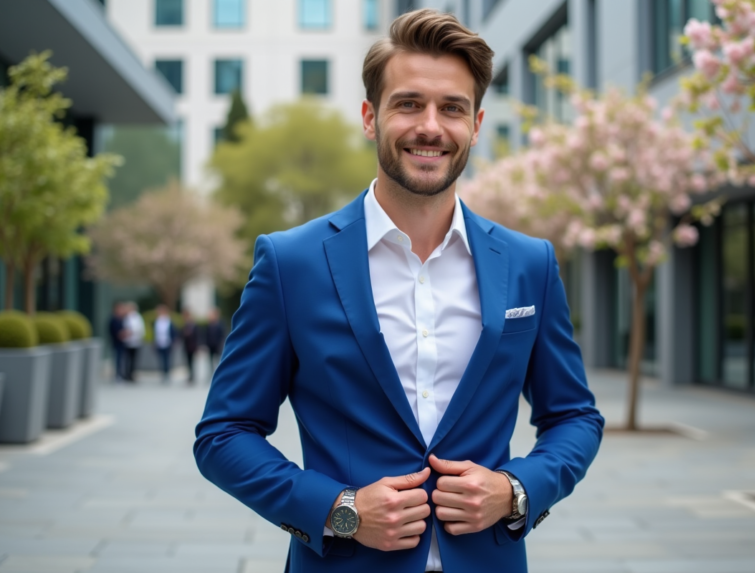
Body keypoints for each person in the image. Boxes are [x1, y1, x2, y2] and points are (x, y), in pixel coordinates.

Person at [194, 10, 603, 573]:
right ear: (371, 117)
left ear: (476, 125)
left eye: (452, 108)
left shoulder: (530, 263)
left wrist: (515, 490)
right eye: (409, 103)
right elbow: (224, 434)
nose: (430, 127)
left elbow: (575, 416)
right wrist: (340, 511)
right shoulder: (291, 263)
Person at [153, 305, 177, 383]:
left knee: (167, 359)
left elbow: (173, 332)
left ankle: (167, 373)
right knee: (161, 359)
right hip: (159, 343)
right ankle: (163, 373)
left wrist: (173, 342)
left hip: (167, 343)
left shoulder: (168, 321)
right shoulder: (157, 321)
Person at [122, 302, 145, 382]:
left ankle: (131, 374)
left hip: (135, 341)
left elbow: (141, 329)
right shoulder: (126, 317)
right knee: (127, 359)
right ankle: (126, 374)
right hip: (127, 342)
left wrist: (132, 332)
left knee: (134, 360)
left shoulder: (138, 317)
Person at [108, 301, 127, 382]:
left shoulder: (122, 319)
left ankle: (121, 374)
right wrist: (120, 334)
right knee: (117, 359)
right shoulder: (113, 319)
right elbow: (113, 332)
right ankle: (117, 375)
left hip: (122, 343)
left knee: (122, 360)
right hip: (116, 343)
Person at [204, 308, 225, 374]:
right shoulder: (209, 325)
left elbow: (222, 335)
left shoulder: (219, 325)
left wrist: (220, 344)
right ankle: (211, 371)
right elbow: (207, 335)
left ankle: (219, 371)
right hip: (210, 345)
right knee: (210, 360)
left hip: (217, 345)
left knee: (218, 359)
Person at [181, 309, 199, 385]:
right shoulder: (185, 325)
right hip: (187, 347)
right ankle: (190, 376)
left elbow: (197, 336)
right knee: (188, 362)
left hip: (192, 347)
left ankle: (192, 376)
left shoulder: (193, 325)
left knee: (192, 362)